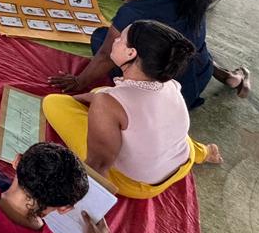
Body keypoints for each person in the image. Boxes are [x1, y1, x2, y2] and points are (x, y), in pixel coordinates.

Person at [41, 20, 222, 199]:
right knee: (105, 96)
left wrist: (85, 206)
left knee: (53, 102)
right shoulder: (170, 84)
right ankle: (205, 152)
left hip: (139, 185)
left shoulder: (108, 101)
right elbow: (109, 98)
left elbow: (98, 164)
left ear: (131, 53)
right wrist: (97, 100)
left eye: (120, 39)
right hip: (184, 160)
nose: (115, 40)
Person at [48, 0, 250, 110]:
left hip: (162, 98)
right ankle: (229, 77)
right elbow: (147, 23)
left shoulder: (134, 12)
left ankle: (227, 76)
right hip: (194, 80)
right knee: (188, 44)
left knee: (102, 38)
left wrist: (79, 81)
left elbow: (106, 55)